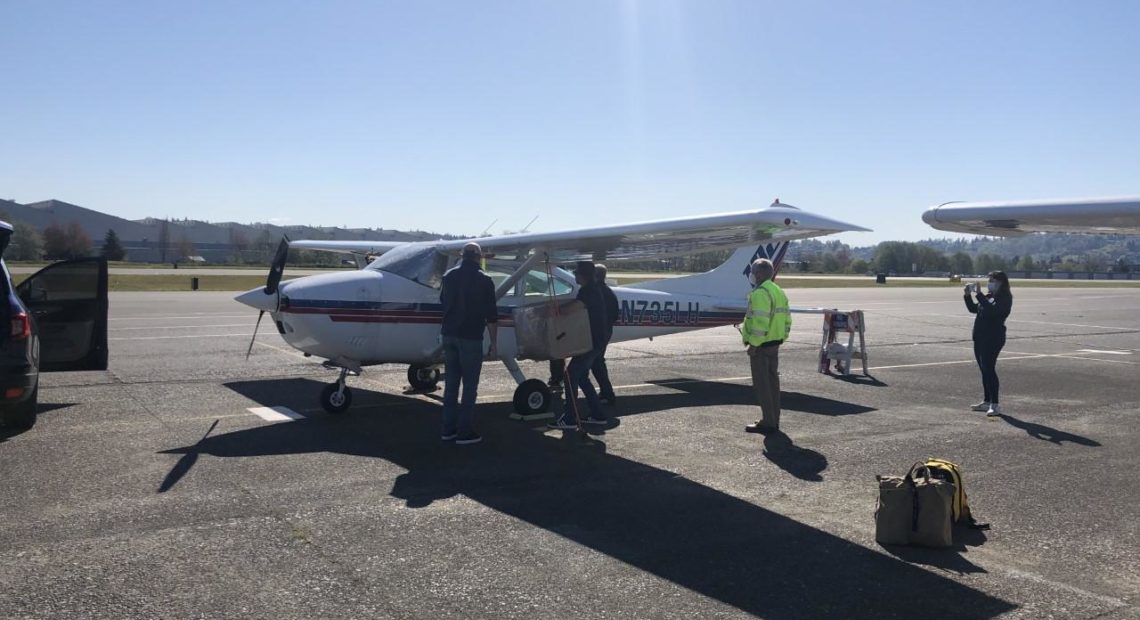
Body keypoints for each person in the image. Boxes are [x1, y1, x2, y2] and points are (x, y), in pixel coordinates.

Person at [438, 242, 499, 444]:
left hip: (448, 335)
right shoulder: (485, 280)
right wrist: (494, 343)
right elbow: (492, 316)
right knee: (470, 386)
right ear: (478, 257)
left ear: (462, 255)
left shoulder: (448, 277)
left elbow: (443, 302)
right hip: (471, 337)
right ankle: (464, 432)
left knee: (451, 385)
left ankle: (448, 429)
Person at [549, 261, 609, 429]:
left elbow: (575, 307)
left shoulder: (588, 291)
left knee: (569, 376)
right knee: (581, 377)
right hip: (594, 341)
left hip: (592, 342)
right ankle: (598, 415)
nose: (574, 276)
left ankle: (570, 418)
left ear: (582, 276)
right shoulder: (592, 289)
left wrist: (556, 310)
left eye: (576, 274)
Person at [741, 258, 791, 434]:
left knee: (763, 385)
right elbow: (787, 320)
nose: (752, 275)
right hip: (774, 344)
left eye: (753, 272)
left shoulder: (760, 293)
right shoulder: (778, 291)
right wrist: (781, 338)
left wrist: (754, 344)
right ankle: (773, 419)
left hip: (762, 346)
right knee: (772, 383)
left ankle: (768, 422)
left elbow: (760, 323)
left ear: (760, 274)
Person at [964, 271, 1012, 417]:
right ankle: (986, 401)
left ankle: (995, 404)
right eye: (989, 280)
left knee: (989, 369)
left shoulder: (1005, 298)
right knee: (984, 370)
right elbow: (974, 309)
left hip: (993, 338)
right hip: (980, 337)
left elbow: (993, 312)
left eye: (992, 280)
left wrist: (979, 294)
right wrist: (967, 295)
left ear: (1000, 282)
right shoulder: (989, 297)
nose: (989, 282)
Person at [591, 263, 620, 404]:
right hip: (605, 331)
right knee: (597, 362)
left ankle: (608, 394)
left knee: (596, 362)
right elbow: (615, 314)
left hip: (599, 333)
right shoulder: (607, 291)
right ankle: (606, 392)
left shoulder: (597, 292)